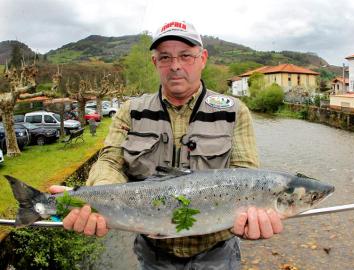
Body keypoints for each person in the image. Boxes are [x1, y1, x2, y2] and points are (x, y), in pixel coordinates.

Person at [50, 20, 283, 269]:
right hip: (153, 255)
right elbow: (110, 161)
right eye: (165, 57)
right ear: (154, 63)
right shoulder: (131, 111)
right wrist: (102, 199)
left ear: (203, 58)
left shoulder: (234, 111)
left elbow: (246, 176)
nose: (175, 66)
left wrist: (254, 214)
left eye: (186, 56)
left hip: (217, 255)